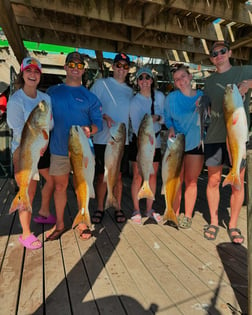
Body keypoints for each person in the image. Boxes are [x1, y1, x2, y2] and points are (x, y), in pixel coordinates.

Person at [46, 51, 103, 241]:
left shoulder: (90, 97)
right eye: (72, 65)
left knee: (82, 186)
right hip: (59, 149)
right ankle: (60, 224)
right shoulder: (52, 92)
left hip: (83, 151)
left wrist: (90, 130)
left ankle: (83, 222)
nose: (75, 69)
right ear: (65, 67)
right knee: (60, 186)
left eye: (79, 66)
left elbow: (98, 123)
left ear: (83, 70)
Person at [203, 40, 252, 244]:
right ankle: (214, 221)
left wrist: (249, 84)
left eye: (222, 51)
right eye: (214, 54)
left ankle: (233, 225)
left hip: (238, 138)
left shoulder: (245, 70)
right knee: (213, 181)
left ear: (229, 52)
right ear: (211, 59)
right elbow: (206, 105)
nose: (219, 55)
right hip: (214, 137)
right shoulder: (208, 81)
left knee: (237, 184)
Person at [7, 56, 55, 250]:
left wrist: (44, 143)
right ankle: (25, 233)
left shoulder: (46, 98)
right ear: (23, 74)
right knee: (27, 190)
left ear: (40, 75)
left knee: (51, 180)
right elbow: (17, 129)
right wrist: (38, 143)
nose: (32, 74)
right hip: (23, 151)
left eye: (36, 71)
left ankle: (43, 212)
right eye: (29, 71)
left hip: (42, 148)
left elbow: (49, 124)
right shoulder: (16, 99)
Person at [91, 53, 133, 224]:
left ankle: (117, 206)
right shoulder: (101, 84)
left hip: (122, 141)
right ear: (113, 66)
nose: (121, 69)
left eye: (125, 66)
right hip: (103, 139)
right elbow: (91, 107)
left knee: (119, 176)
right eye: (118, 65)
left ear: (128, 70)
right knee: (102, 176)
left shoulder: (130, 91)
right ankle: (100, 207)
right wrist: (103, 116)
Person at [164, 64, 204, 228]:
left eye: (183, 76)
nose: (181, 80)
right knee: (176, 180)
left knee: (191, 181)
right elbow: (167, 118)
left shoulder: (202, 96)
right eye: (177, 79)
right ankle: (173, 212)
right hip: (176, 145)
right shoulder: (171, 98)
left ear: (190, 77)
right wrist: (171, 128)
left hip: (195, 143)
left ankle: (187, 216)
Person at [129, 67, 164, 225]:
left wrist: (158, 118)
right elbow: (137, 126)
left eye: (147, 77)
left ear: (152, 80)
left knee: (152, 175)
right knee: (137, 175)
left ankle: (149, 208)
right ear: (137, 82)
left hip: (155, 142)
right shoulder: (134, 101)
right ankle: (136, 209)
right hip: (140, 142)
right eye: (141, 78)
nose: (144, 81)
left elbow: (166, 118)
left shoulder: (160, 97)